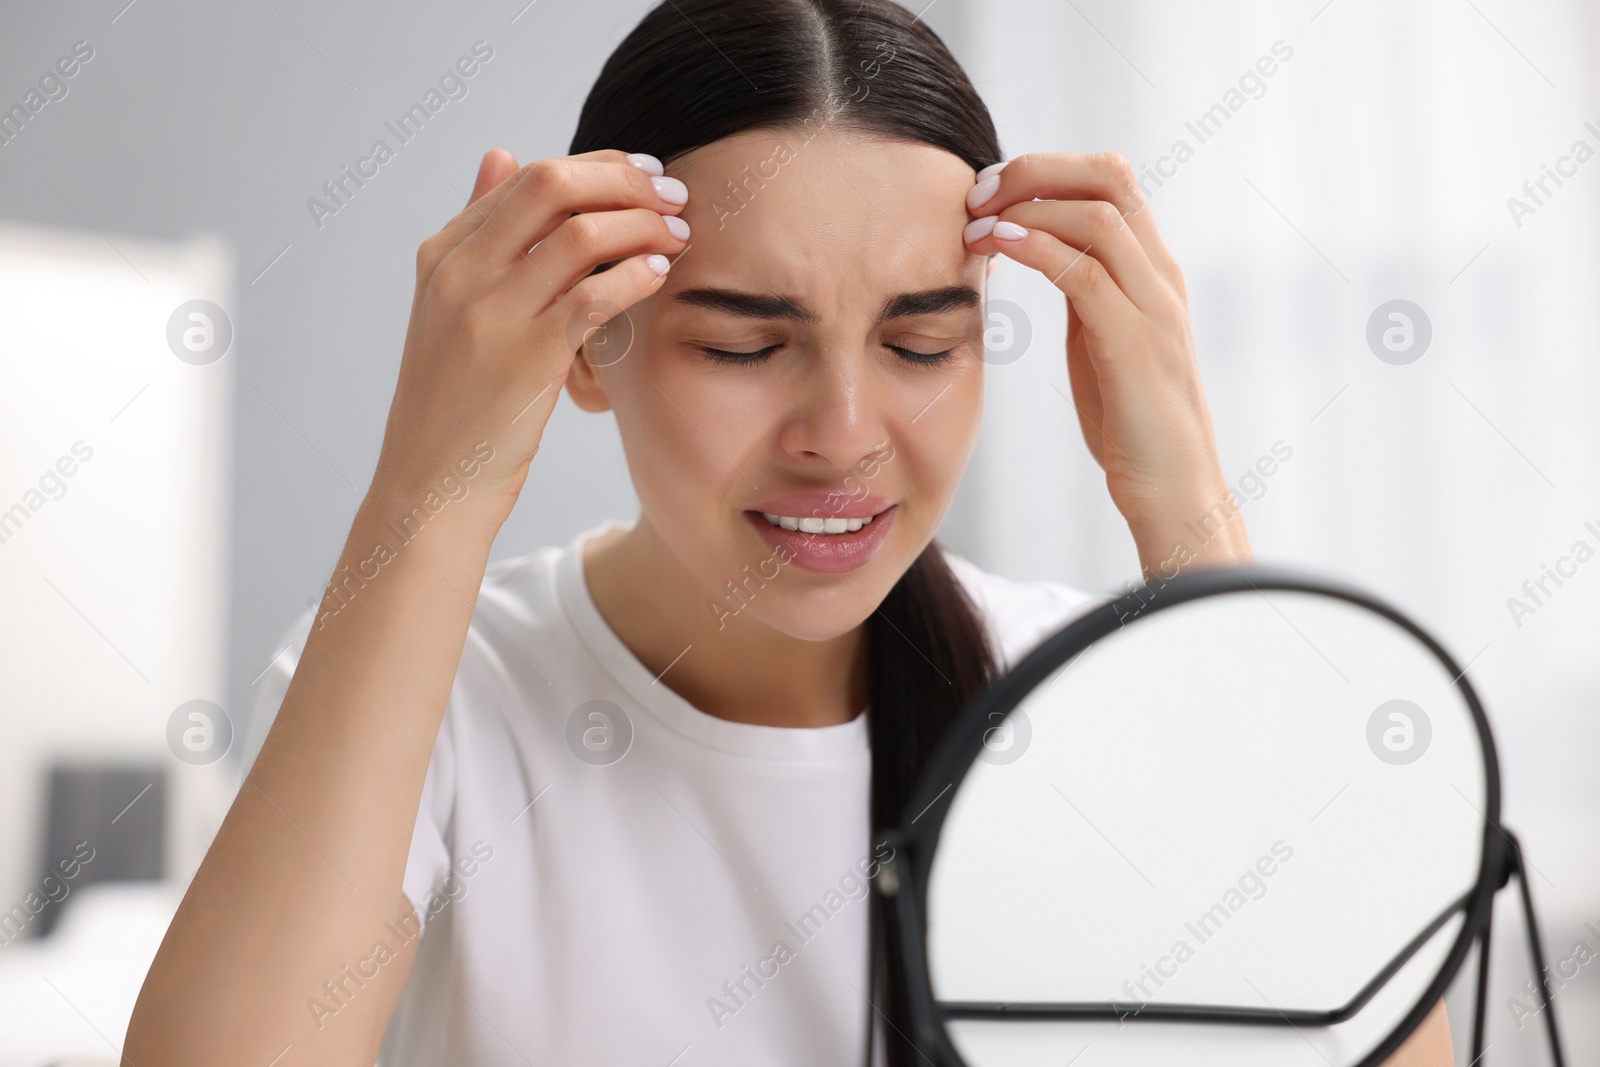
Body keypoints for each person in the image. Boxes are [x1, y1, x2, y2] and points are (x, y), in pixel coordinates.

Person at [124, 0, 1451, 1064]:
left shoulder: (1085, 695)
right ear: (593, 341)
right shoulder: (445, 693)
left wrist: (1188, 508)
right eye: (748, 344)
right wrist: (430, 495)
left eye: (924, 341)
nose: (846, 430)